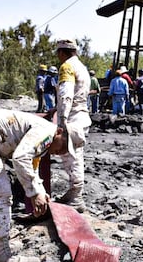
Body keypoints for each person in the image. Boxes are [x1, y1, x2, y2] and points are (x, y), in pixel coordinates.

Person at [0, 109, 70, 262]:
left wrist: (40, 192)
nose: (60, 152)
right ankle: (1, 253)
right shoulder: (46, 132)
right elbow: (20, 158)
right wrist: (34, 193)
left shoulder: (44, 144)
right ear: (60, 132)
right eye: (63, 146)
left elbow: (32, 168)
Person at [55, 39, 91, 213]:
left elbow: (66, 95)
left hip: (72, 118)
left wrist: (61, 120)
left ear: (62, 52)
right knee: (76, 156)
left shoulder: (67, 67)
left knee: (71, 157)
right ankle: (73, 193)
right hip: (82, 115)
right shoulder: (82, 67)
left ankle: (76, 197)